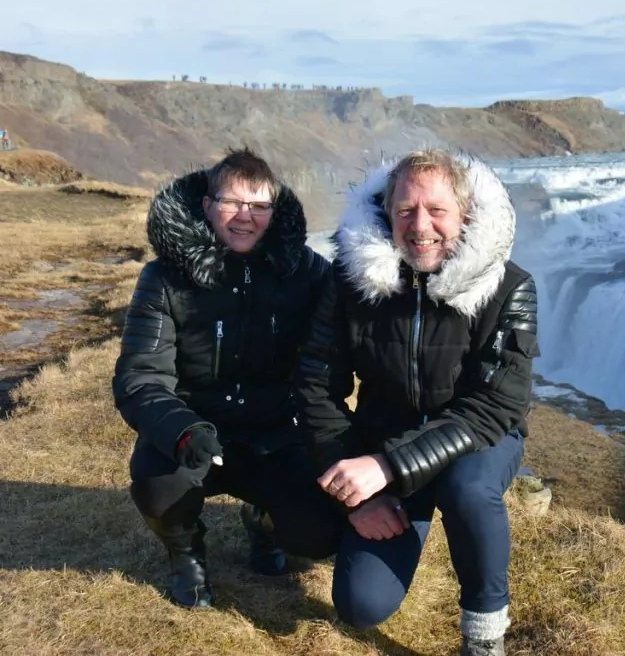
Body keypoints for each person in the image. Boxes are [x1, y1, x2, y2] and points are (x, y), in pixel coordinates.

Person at [293, 149, 538, 656]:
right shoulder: (351, 283)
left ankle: (484, 636)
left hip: (478, 439)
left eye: (436, 211)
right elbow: (317, 386)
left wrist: (386, 467)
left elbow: (495, 406)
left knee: (467, 487)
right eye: (405, 210)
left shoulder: (508, 287)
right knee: (361, 606)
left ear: (465, 215)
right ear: (386, 213)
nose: (420, 226)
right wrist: (359, 491)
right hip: (383, 436)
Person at [112, 147, 340, 609]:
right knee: (156, 487)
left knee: (323, 532)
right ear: (207, 205)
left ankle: (264, 522)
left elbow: (357, 323)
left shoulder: (307, 271)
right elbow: (139, 378)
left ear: (273, 213)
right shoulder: (164, 278)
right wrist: (183, 432)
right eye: (232, 203)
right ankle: (186, 554)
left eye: (258, 206)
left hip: (277, 434)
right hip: (194, 431)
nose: (244, 217)